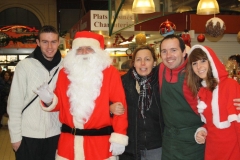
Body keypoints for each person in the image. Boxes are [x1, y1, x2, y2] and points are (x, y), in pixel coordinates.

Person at [35, 31, 128, 160]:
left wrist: (119, 136)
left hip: (99, 145)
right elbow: (59, 104)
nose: (84, 52)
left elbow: (120, 106)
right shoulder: (64, 73)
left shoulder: (110, 72)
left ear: (97, 52)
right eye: (80, 49)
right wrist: (49, 100)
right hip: (68, 145)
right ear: (74, 52)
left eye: (89, 49)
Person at [7, 25, 62, 160]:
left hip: (55, 134)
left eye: (53, 42)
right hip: (28, 135)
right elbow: (14, 103)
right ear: (37, 43)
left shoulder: (65, 66)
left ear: (59, 43)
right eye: (45, 42)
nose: (49, 46)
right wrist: (15, 137)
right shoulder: (25, 66)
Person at [186, 45, 240, 160]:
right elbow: (211, 124)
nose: (199, 66)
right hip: (212, 151)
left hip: (233, 151)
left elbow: (237, 124)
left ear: (211, 61)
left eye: (203, 61)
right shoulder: (202, 92)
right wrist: (202, 131)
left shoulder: (230, 85)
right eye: (194, 63)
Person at [111, 45, 164, 160]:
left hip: (156, 147)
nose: (143, 63)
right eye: (138, 60)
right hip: (130, 148)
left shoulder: (161, 82)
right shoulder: (123, 82)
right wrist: (110, 108)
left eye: (147, 59)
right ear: (133, 63)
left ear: (154, 63)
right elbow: (105, 102)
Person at [159, 34, 205, 159]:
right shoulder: (161, 69)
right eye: (164, 51)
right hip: (169, 140)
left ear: (184, 52)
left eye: (174, 50)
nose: (168, 56)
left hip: (194, 141)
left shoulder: (196, 73)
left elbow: (214, 104)